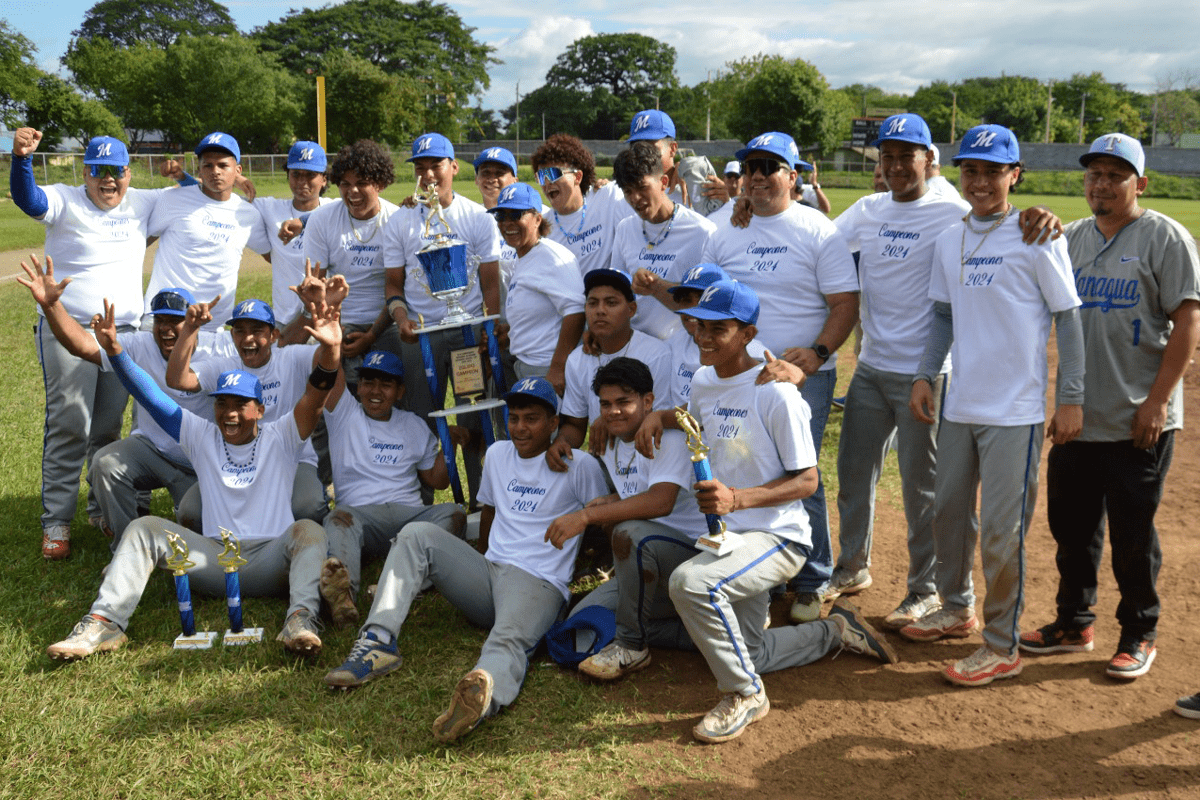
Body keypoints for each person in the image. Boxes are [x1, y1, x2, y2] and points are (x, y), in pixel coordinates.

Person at [631, 280, 896, 743]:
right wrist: (661, 415)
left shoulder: (776, 392)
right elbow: (697, 419)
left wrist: (738, 499)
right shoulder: (702, 379)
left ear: (749, 334)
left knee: (690, 583)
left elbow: (808, 481)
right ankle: (834, 633)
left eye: (720, 330)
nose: (705, 337)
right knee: (748, 648)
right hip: (732, 537)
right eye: (700, 326)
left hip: (778, 536)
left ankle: (745, 694)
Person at [45, 295, 343, 660]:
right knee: (145, 528)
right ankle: (103, 622)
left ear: (260, 410)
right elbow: (150, 395)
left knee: (311, 531)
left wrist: (332, 348)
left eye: (239, 404)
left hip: (271, 560)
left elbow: (316, 395)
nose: (229, 413)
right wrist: (117, 352)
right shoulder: (201, 435)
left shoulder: (282, 434)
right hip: (213, 562)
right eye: (221, 403)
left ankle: (300, 620)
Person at [322, 377, 608, 744]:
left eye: (532, 418)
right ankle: (377, 641)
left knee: (506, 641)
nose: (520, 427)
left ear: (554, 424)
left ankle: (481, 693)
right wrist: (479, 557)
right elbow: (489, 512)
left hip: (537, 581)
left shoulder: (578, 464)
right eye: (515, 417)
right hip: (490, 573)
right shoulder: (500, 454)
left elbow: (602, 517)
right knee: (415, 536)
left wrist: (583, 571)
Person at [903, 124, 1084, 687]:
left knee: (1004, 532)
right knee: (950, 515)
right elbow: (942, 315)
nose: (980, 182)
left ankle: (1002, 645)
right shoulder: (950, 239)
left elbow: (1068, 316)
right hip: (961, 404)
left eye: (992, 171)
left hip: (1017, 411)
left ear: (1015, 175)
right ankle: (957, 608)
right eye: (971, 171)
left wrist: (1070, 397)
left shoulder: (1037, 236)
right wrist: (926, 374)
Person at [1019, 133, 1200, 681]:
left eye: (1115, 175)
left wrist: (1157, 402)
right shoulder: (1068, 238)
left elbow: (1188, 321)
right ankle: (1074, 622)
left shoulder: (1165, 237)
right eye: (1095, 174)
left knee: (1132, 535)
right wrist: (1032, 216)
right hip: (1077, 416)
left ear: (1139, 184)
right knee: (1072, 530)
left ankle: (1139, 631)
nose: (1102, 184)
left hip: (1137, 420)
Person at [9, 128, 195, 559]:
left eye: (116, 171)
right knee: (70, 422)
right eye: (98, 171)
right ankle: (56, 522)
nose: (108, 180)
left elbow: (194, 197)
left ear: (129, 172)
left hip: (124, 335)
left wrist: (183, 176)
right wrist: (21, 158)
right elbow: (30, 200)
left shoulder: (142, 202)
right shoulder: (67, 198)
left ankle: (100, 508)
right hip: (65, 326)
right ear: (85, 172)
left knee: (109, 428)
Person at [701, 131, 859, 623]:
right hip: (739, 373)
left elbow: (844, 304)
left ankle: (812, 579)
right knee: (746, 468)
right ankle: (761, 572)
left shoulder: (817, 229)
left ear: (793, 177)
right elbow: (704, 299)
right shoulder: (725, 228)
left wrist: (812, 357)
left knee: (797, 473)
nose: (758, 177)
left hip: (797, 375)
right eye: (750, 168)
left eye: (770, 167)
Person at [828, 114, 970, 628]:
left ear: (928, 160)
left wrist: (1036, 216)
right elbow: (820, 240)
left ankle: (925, 589)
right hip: (870, 368)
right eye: (886, 158)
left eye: (906, 157)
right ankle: (851, 566)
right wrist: (747, 208)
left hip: (925, 374)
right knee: (853, 475)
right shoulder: (868, 210)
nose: (894, 167)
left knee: (920, 487)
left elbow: (999, 220)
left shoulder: (952, 211)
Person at [18, 257, 237, 544]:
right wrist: (51, 306)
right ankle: (127, 545)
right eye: (160, 320)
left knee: (197, 527)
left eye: (176, 322)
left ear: (192, 322)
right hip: (150, 450)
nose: (166, 329)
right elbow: (83, 346)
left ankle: (187, 514)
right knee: (105, 463)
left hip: (199, 461)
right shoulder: (140, 343)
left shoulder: (217, 349)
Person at [384, 133, 502, 504]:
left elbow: (490, 283)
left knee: (473, 417)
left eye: (436, 165)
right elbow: (392, 284)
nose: (428, 174)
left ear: (453, 166)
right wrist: (400, 317)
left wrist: (488, 329)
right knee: (421, 418)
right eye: (420, 168)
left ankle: (481, 501)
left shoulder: (477, 217)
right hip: (421, 333)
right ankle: (419, 502)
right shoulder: (401, 220)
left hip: (466, 331)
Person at [321, 349, 464, 627]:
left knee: (455, 514)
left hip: (408, 517)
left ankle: (404, 585)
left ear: (400, 392)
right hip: (360, 515)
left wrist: (450, 446)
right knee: (337, 520)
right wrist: (331, 332)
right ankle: (344, 598)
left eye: (385, 385)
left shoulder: (414, 425)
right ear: (358, 386)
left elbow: (436, 481)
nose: (375, 391)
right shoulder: (343, 413)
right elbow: (330, 368)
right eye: (368, 383)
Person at [165, 294, 329, 529]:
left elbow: (328, 363)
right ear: (232, 335)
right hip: (235, 460)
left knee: (308, 507)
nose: (248, 338)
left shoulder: (292, 358)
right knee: (190, 511)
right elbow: (176, 379)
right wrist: (190, 329)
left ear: (274, 335)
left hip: (292, 456)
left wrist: (327, 325)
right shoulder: (224, 366)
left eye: (257, 330)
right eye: (239, 330)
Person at [548, 269, 673, 472]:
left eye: (611, 303)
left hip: (647, 458)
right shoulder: (577, 359)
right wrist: (562, 442)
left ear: (631, 309)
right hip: (602, 460)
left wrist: (609, 421)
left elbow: (659, 417)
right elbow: (575, 424)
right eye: (592, 303)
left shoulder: (656, 354)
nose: (600, 310)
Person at [144, 132, 272, 331]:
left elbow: (274, 256)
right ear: (199, 170)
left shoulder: (248, 214)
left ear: (238, 170)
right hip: (164, 320)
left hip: (212, 326)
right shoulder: (172, 199)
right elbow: (138, 243)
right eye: (208, 165)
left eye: (223, 165)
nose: (215, 171)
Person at [302, 139, 400, 374]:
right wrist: (326, 311)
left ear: (380, 184)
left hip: (387, 324)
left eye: (362, 183)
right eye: (345, 184)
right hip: (338, 319)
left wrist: (371, 335)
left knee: (389, 385)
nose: (352, 191)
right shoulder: (322, 219)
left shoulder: (396, 220)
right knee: (332, 396)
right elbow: (317, 284)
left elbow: (397, 288)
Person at [611, 141, 717, 341]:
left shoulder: (703, 232)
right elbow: (617, 292)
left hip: (681, 350)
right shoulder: (625, 228)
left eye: (642, 187)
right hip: (635, 344)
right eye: (628, 191)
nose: (635, 198)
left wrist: (657, 287)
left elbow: (709, 302)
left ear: (664, 182)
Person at [488, 182, 584, 392]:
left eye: (516, 215)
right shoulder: (525, 257)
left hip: (546, 368)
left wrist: (558, 368)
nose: (507, 223)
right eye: (500, 216)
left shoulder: (551, 256)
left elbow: (576, 312)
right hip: (527, 365)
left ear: (537, 219)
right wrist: (512, 333)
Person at [256, 141, 335, 337]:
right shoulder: (270, 209)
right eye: (296, 174)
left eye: (311, 175)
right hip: (285, 321)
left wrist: (303, 221)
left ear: (324, 179)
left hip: (327, 318)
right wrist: (184, 178)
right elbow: (220, 199)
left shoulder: (335, 209)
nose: (302, 181)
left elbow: (373, 205)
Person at [530, 133, 636, 276]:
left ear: (578, 177)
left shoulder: (607, 197)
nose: (548, 182)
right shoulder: (541, 227)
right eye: (542, 176)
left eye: (554, 174)